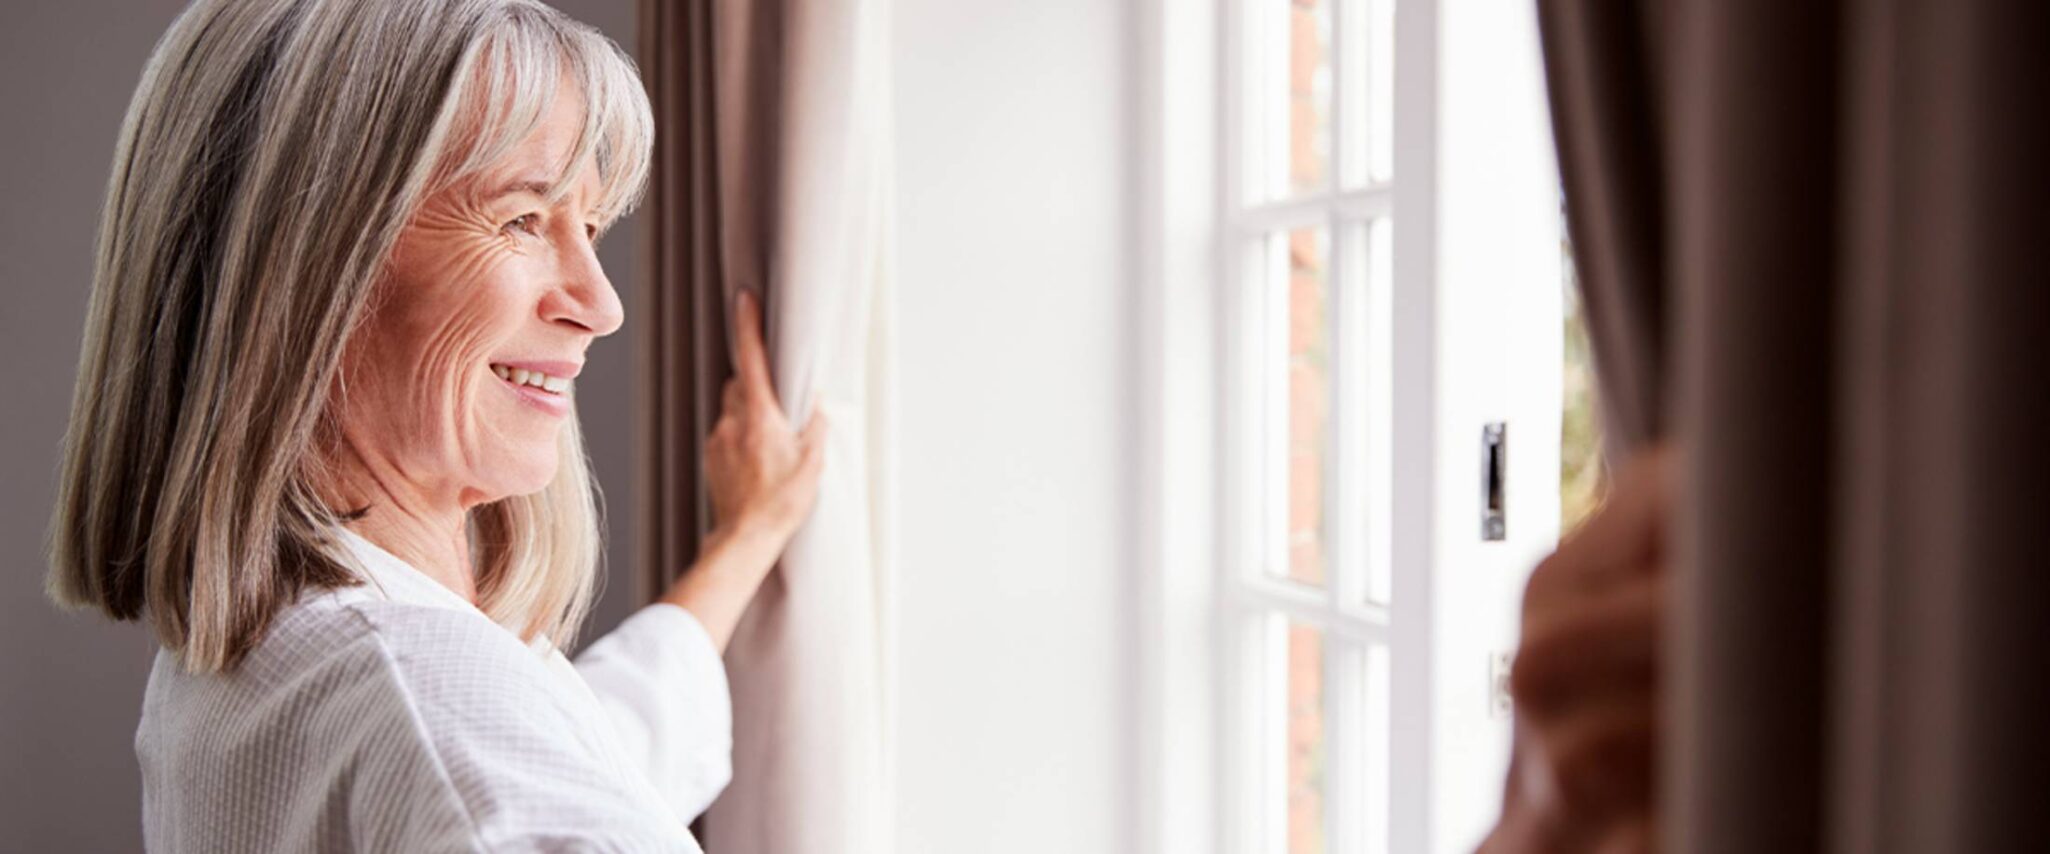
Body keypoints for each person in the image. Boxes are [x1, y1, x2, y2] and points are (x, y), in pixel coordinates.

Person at [43, 1, 817, 850]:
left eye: (589, 228)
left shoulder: (292, 665)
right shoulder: (432, 714)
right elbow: (493, 767)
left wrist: (747, 536)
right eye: (523, 219)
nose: (602, 304)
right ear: (312, 268)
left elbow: (586, 751)